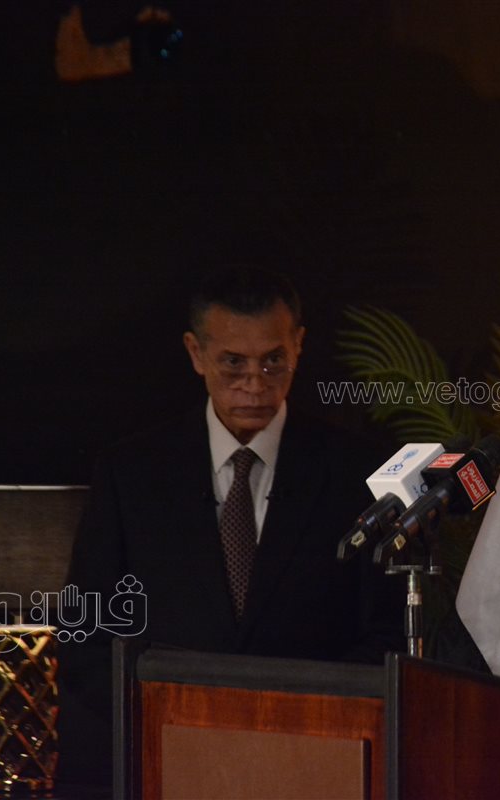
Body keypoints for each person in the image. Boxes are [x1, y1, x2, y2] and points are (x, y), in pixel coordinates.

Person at [59, 264, 402, 783]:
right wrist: (163, 720)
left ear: (299, 345)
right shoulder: (131, 473)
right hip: (168, 757)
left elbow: (387, 634)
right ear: (196, 353)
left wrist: (298, 717)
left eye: (273, 361)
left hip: (317, 757)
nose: (254, 385)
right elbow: (85, 632)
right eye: (233, 363)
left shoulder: (357, 471)